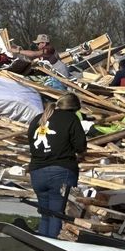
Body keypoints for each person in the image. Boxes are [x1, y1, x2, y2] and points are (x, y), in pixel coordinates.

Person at [26, 93, 87, 238]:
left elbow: (30, 142)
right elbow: (80, 146)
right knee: (56, 214)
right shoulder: (71, 118)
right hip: (60, 171)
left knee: (45, 214)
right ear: (74, 109)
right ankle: (52, 245)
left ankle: (42, 243)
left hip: (37, 171)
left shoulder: (38, 118)